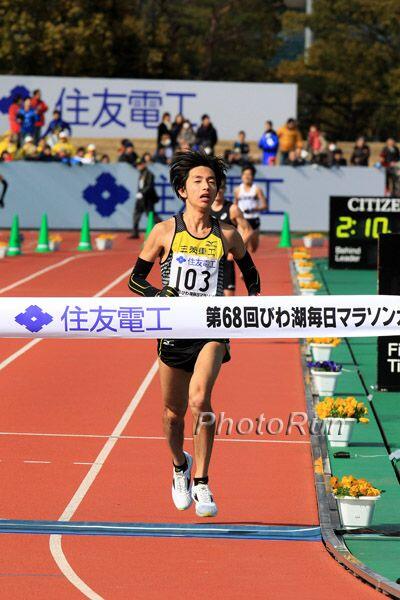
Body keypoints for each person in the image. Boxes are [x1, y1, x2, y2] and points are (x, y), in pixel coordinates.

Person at [127, 150, 260, 517]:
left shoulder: (227, 234)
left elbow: (251, 275)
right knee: (173, 413)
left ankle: (202, 480)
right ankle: (179, 466)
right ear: (182, 190)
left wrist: (254, 304)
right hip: (173, 329)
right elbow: (135, 280)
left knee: (200, 400)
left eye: (212, 181)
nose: (206, 187)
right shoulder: (164, 231)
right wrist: (159, 296)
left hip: (212, 327)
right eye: (198, 181)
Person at [211, 177, 252, 296]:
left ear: (224, 190)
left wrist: (233, 250)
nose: (218, 191)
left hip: (226, 259)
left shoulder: (232, 209)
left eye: (221, 188)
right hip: (209, 257)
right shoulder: (205, 209)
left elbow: (248, 230)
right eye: (216, 188)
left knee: (229, 298)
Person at [234, 165, 267, 253]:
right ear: (242, 176)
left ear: (253, 176)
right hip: (242, 220)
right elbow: (235, 206)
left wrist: (254, 209)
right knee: (242, 245)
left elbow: (265, 206)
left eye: (249, 174)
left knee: (253, 248)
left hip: (254, 219)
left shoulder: (257, 189)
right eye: (245, 174)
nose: (247, 177)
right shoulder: (237, 190)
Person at [129, 156, 160, 239]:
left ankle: (165, 229)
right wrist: (139, 194)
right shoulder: (141, 174)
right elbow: (140, 186)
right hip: (140, 199)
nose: (138, 166)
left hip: (147, 199)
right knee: (136, 214)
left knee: (152, 216)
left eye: (140, 164)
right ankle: (135, 233)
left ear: (144, 164)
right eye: (137, 165)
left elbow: (149, 186)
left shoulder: (149, 174)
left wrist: (142, 193)